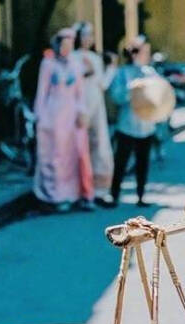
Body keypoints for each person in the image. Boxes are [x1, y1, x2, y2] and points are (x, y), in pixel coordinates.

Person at [33, 28, 94, 212]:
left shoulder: (75, 64)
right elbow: (42, 91)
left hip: (71, 114)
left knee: (72, 156)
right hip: (53, 114)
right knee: (55, 156)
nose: (66, 48)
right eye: (63, 44)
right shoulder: (48, 64)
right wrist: (40, 116)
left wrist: (82, 112)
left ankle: (73, 194)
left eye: (70, 45)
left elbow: (80, 93)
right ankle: (55, 196)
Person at [107, 35, 158, 208]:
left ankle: (141, 195)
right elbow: (116, 96)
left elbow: (160, 95)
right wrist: (131, 90)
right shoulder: (122, 73)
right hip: (127, 124)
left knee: (143, 162)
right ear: (136, 53)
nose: (148, 55)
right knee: (120, 161)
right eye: (145, 51)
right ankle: (114, 195)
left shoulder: (150, 72)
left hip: (146, 125)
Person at [72, 20, 115, 203]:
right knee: (78, 147)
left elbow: (102, 83)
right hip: (76, 106)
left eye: (90, 35)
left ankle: (99, 188)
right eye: (84, 35)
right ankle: (77, 188)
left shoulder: (95, 58)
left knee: (99, 145)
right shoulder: (72, 57)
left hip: (96, 104)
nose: (87, 39)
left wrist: (112, 67)